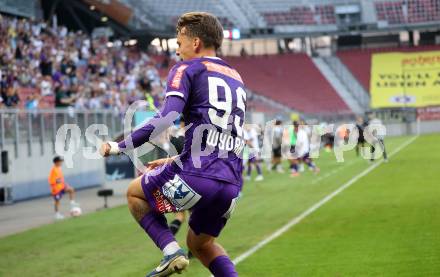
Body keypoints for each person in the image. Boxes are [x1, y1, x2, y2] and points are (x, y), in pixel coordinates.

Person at [100, 12, 244, 277]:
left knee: (134, 193)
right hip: (231, 183)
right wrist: (173, 160)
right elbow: (223, 137)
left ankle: (170, 252)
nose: (177, 51)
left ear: (196, 43)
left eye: (179, 44)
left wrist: (120, 146)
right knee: (202, 245)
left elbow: (167, 116)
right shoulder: (235, 76)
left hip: (198, 176)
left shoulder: (187, 69)